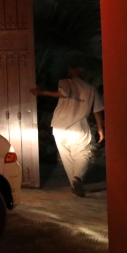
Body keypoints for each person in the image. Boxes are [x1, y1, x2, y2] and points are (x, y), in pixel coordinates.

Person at [31, 64, 104, 197]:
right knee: (82, 154)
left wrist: (42, 92)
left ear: (71, 72)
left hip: (59, 126)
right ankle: (77, 178)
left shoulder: (65, 82)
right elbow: (97, 110)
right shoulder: (91, 89)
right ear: (82, 73)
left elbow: (64, 93)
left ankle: (74, 185)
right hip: (78, 126)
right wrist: (100, 129)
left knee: (66, 156)